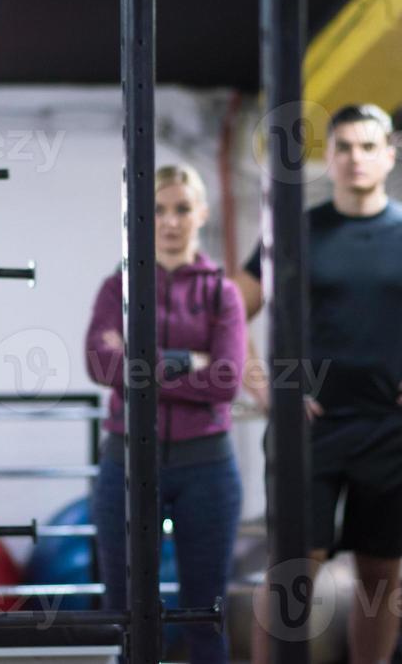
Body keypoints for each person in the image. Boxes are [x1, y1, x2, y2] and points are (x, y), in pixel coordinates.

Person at [236, 103, 402, 664]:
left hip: (389, 426)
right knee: (292, 569)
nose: (355, 158)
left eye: (366, 147)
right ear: (328, 158)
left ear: (388, 154)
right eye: (344, 148)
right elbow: (229, 312)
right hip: (308, 429)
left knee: (379, 575)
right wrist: (266, 388)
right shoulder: (294, 232)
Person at [84, 163, 247, 664]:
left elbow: (227, 380)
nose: (170, 221)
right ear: (140, 217)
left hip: (208, 468)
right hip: (128, 464)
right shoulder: (118, 289)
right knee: (127, 611)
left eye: (181, 208)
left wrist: (139, 368)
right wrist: (184, 363)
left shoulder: (223, 292)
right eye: (157, 209)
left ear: (201, 213)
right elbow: (98, 362)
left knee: (205, 612)